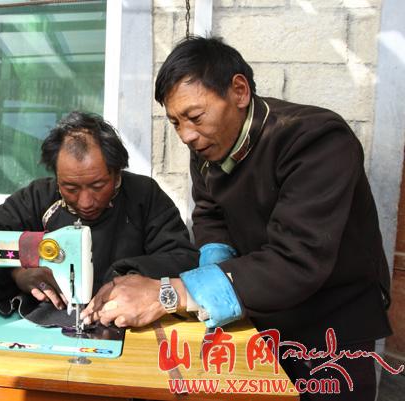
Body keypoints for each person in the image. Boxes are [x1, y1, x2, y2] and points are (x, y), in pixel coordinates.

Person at [80, 36, 393, 400]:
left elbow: (296, 260)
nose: (186, 135)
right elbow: (211, 217)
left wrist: (170, 294)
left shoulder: (316, 140)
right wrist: (209, 290)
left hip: (331, 323)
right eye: (175, 122)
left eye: (195, 117)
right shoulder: (210, 147)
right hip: (261, 311)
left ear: (239, 91)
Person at [0, 111, 198, 313]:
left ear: (116, 173)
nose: (86, 202)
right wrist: (17, 273)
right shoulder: (38, 197)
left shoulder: (144, 196)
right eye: (70, 188)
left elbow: (181, 258)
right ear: (57, 177)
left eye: (98, 186)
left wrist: (129, 277)